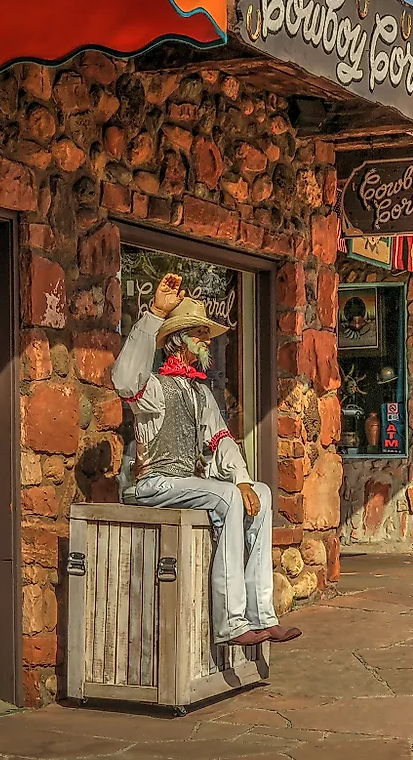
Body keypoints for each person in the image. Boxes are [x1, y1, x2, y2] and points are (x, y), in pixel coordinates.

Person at [112, 273, 301, 647]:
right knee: (227, 497)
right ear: (178, 341)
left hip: (183, 483)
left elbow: (221, 440)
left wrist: (244, 479)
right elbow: (124, 380)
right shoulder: (154, 387)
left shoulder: (199, 391)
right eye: (198, 334)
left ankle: (262, 614)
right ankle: (231, 621)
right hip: (154, 482)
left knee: (259, 493)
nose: (205, 341)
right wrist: (153, 315)